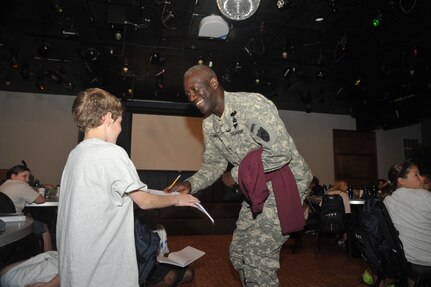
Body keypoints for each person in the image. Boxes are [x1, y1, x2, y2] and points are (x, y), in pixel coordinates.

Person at [170, 65, 312, 286]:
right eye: (188, 93)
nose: (192, 97)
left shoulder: (251, 105)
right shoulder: (209, 125)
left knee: (258, 259)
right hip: (255, 186)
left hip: (284, 181)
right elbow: (214, 165)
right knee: (238, 253)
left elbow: (281, 152)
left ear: (213, 83)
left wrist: (236, 174)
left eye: (195, 89)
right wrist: (189, 184)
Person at [56, 88, 200, 287]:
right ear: (108, 117)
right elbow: (145, 201)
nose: (120, 129)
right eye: (120, 122)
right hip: (102, 269)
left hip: (78, 265)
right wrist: (178, 198)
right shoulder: (110, 153)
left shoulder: (75, 155)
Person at [383, 162, 431, 286]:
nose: (422, 179)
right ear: (401, 181)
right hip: (426, 260)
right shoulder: (425, 196)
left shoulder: (388, 200)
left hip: (405, 259)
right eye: (417, 175)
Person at [0, 165, 53, 252]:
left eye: (28, 177)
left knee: (29, 215)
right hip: (15, 222)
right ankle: (48, 256)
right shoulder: (21, 185)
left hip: (3, 220)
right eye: (24, 176)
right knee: (44, 228)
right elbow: (41, 200)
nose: (28, 180)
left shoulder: (3, 185)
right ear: (13, 176)